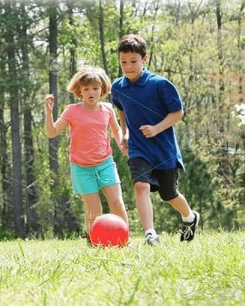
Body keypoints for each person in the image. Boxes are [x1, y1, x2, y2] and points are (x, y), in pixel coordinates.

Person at [111, 33, 200, 245]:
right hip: (138, 148)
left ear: (145, 59)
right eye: (123, 62)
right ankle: (150, 234)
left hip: (164, 150)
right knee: (140, 186)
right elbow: (122, 110)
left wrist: (157, 128)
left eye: (133, 61)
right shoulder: (117, 87)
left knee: (169, 194)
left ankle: (190, 217)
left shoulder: (160, 84)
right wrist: (124, 133)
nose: (128, 66)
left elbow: (178, 113)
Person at [45, 67, 128, 242]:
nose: (91, 92)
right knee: (94, 211)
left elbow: (117, 131)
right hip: (81, 168)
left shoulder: (107, 109)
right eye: (86, 89)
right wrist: (48, 112)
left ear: (102, 90)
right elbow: (52, 132)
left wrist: (124, 143)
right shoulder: (72, 111)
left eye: (95, 88)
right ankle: (94, 241)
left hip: (105, 163)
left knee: (117, 203)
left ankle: (125, 241)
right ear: (80, 91)